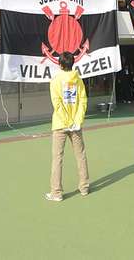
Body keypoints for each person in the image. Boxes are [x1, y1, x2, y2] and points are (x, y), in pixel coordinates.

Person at [44, 51, 89, 202]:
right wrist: (77, 120)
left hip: (60, 125)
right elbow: (83, 101)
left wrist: (67, 121)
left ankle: (56, 193)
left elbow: (57, 103)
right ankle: (84, 187)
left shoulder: (55, 80)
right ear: (72, 63)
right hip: (76, 125)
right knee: (80, 155)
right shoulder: (79, 80)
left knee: (57, 158)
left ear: (60, 64)